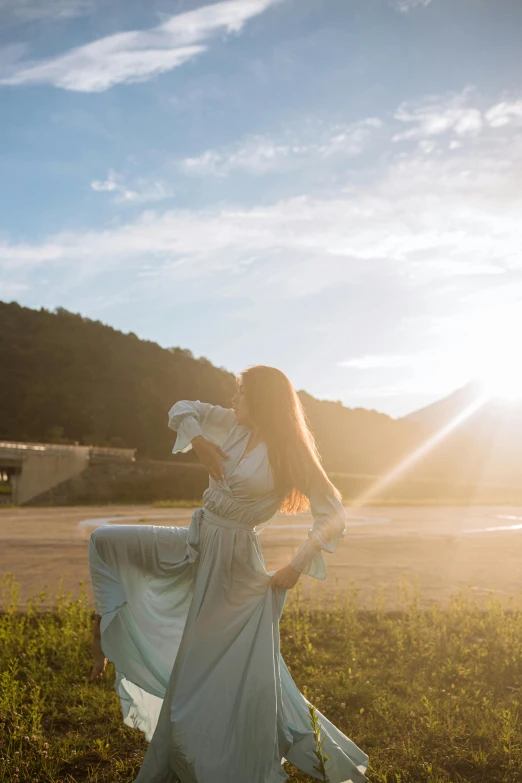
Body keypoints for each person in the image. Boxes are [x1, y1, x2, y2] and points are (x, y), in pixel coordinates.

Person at [88, 365, 369, 783]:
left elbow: (333, 511)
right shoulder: (230, 424)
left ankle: (208, 760)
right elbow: (181, 408)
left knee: (204, 677)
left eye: (241, 392)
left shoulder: (290, 451)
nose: (234, 398)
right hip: (195, 544)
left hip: (235, 573)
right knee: (104, 541)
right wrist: (199, 441)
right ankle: (102, 636)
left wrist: (296, 566)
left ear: (262, 400)